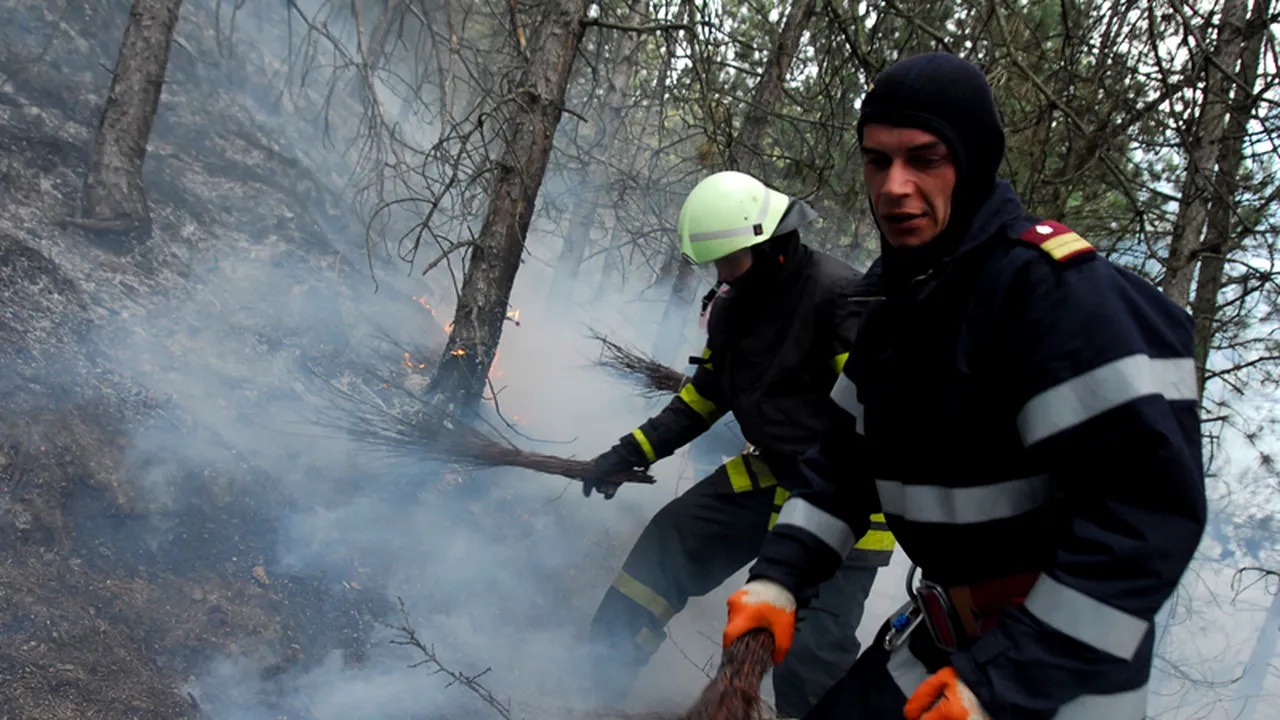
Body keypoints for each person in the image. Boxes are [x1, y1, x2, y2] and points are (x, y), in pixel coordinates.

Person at [720, 52, 1206, 720]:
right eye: (876, 159)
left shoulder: (1058, 298)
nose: (893, 186)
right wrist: (780, 577)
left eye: (925, 158)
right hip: (945, 638)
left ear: (973, 162)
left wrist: (1001, 683)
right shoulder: (897, 312)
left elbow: (1145, 522)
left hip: (1059, 682)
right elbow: (838, 470)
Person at [579, 170, 897, 718]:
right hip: (771, 476)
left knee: (811, 650)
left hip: (851, 496)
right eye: (717, 264)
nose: (723, 275)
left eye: (731, 260)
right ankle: (592, 679)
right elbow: (704, 398)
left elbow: (876, 419)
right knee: (669, 544)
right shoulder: (732, 310)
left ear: (770, 244)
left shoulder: (839, 297)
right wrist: (629, 453)